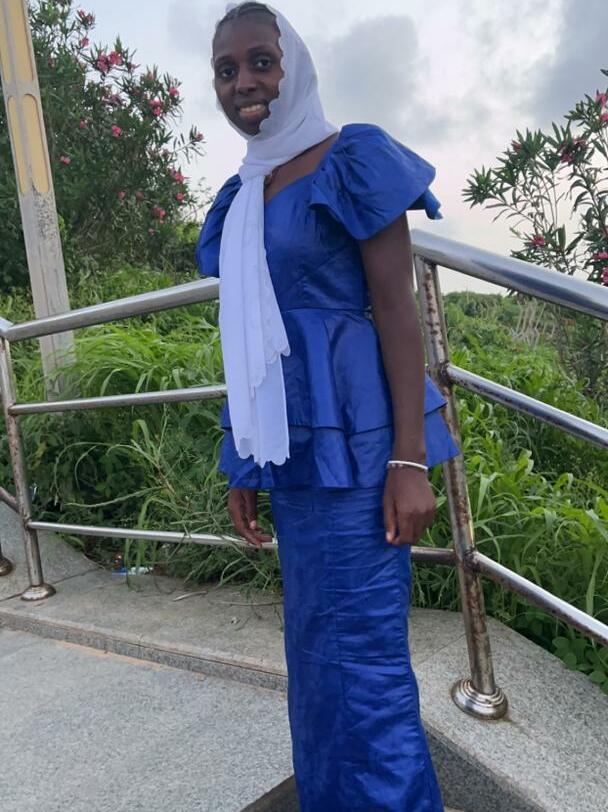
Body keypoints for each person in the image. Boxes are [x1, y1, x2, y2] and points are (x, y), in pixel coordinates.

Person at [196, 3, 460, 809]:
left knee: (366, 668)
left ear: (295, 65)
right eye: (228, 70)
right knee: (315, 662)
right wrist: (244, 462)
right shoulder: (244, 194)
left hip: (364, 453)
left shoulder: (351, 158)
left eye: (261, 61)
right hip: (294, 459)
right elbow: (250, 339)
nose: (245, 83)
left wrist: (410, 460)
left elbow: (397, 311)